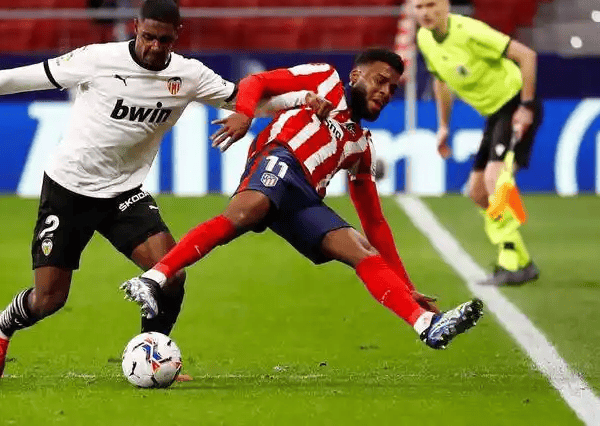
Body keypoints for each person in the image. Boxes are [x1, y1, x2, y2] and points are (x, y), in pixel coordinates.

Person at [0, 0, 320, 379]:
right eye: (148, 37)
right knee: (49, 299)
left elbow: (245, 99)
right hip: (69, 189)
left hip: (123, 193)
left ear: (177, 35)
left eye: (164, 40)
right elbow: (24, 77)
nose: (155, 47)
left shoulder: (188, 75)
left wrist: (303, 99)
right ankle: (2, 325)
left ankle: (152, 354)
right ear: (135, 27)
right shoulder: (97, 60)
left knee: (171, 274)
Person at [121, 49, 484, 351]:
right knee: (245, 213)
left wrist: (406, 287)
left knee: (360, 248)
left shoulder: (362, 147)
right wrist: (244, 113)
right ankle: (154, 278)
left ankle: (425, 323)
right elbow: (256, 82)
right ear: (356, 75)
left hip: (305, 196)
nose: (386, 91)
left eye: (392, 87)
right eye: (380, 80)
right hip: (280, 157)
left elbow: (375, 221)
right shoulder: (324, 79)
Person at [412, 0, 542, 286]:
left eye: (431, 5)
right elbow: (441, 82)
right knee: (478, 192)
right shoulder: (424, 39)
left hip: (514, 105)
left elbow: (527, 56)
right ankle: (522, 261)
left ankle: (510, 261)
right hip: (494, 115)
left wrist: (526, 106)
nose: (426, 12)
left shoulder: (470, 32)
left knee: (496, 179)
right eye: (419, 7)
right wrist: (444, 126)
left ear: (445, 5)